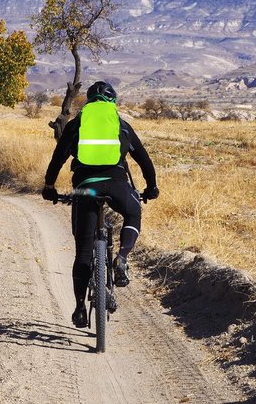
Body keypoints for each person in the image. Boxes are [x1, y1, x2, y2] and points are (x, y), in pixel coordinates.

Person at [42, 81, 159, 328]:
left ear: (88, 101)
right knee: (133, 212)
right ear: (112, 102)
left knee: (83, 252)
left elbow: (58, 159)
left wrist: (49, 187)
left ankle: (79, 308)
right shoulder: (121, 125)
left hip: (86, 187)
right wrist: (151, 187)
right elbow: (144, 160)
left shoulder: (76, 125)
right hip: (117, 185)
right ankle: (122, 258)